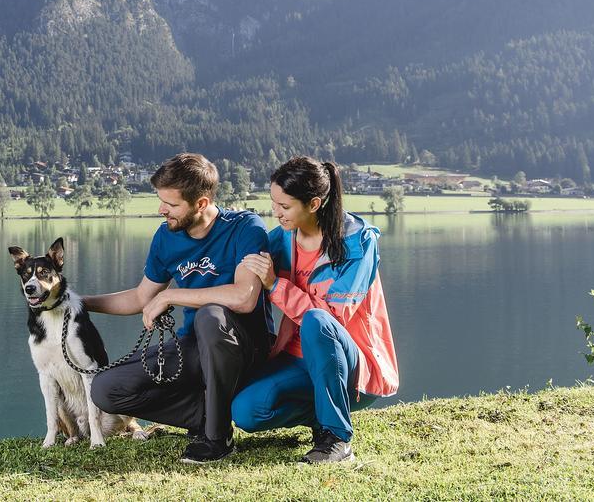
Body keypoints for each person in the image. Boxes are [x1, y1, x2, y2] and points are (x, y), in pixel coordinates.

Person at [86, 152, 271, 464]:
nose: (162, 210)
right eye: (161, 202)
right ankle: (207, 414)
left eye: (171, 205)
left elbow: (244, 297)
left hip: (243, 347)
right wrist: (77, 303)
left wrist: (172, 296)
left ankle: (216, 438)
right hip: (195, 347)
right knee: (106, 389)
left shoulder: (245, 227)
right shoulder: (166, 237)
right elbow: (140, 297)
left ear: (200, 203)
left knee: (211, 317)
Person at [234, 156, 399, 463]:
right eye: (274, 203)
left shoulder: (358, 244)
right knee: (246, 412)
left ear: (313, 204)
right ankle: (321, 414)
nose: (276, 213)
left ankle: (336, 438)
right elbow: (242, 263)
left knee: (317, 321)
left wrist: (275, 285)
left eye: (285, 207)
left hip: (350, 364)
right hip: (296, 360)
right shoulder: (283, 237)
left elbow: (333, 320)